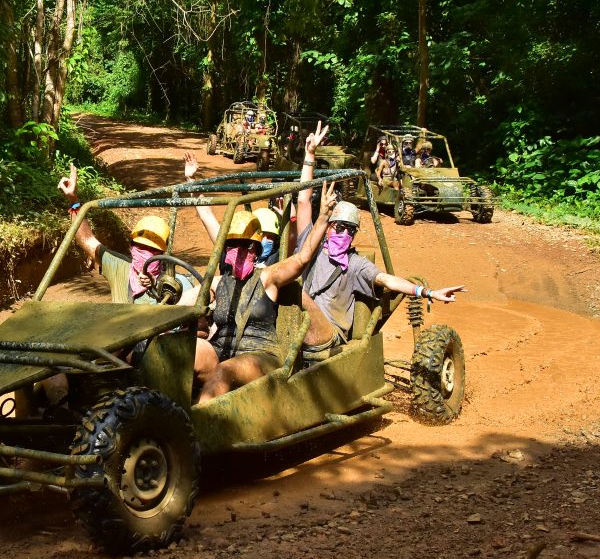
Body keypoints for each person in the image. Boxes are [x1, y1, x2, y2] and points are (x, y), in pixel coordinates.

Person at [190, 122, 336, 403]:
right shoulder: (220, 279)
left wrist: (323, 217)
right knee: (186, 353)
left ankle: (193, 436)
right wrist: (193, 183)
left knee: (222, 373)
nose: (238, 250)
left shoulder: (268, 276)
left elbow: (303, 257)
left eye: (246, 245)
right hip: (222, 351)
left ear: (256, 249)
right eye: (232, 245)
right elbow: (209, 221)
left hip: (261, 358)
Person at [293, 134, 466, 355]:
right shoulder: (310, 248)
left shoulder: (354, 264)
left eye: (350, 230)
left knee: (296, 293)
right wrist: (309, 154)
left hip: (329, 334)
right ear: (328, 226)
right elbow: (303, 201)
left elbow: (386, 280)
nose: (344, 233)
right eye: (340, 227)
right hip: (297, 328)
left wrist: (427, 292)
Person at [58, 163, 189, 304]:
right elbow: (86, 240)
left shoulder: (176, 285)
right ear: (131, 246)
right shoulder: (118, 266)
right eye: (141, 246)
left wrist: (155, 282)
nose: (146, 253)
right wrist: (73, 200)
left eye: (153, 249)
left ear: (164, 252)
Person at [182, 151, 280, 267]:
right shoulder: (229, 254)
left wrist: (292, 221)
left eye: (269, 236)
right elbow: (206, 216)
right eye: (261, 234)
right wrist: (191, 179)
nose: (264, 240)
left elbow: (297, 249)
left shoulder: (275, 265)